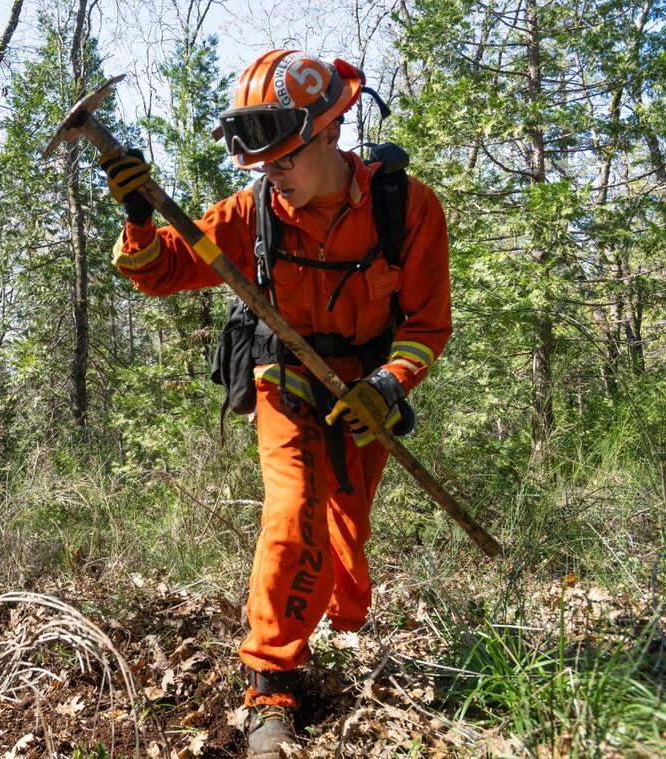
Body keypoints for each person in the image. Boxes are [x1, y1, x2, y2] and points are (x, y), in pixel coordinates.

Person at [99, 50, 451, 756]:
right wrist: (139, 215)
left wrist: (387, 387)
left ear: (332, 131)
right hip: (285, 379)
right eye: (263, 163)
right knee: (294, 514)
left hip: (364, 391)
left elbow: (427, 326)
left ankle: (346, 629)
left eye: (285, 158)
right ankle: (271, 684)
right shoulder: (249, 211)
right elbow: (160, 270)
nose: (273, 172)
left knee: (349, 537)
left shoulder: (405, 207)